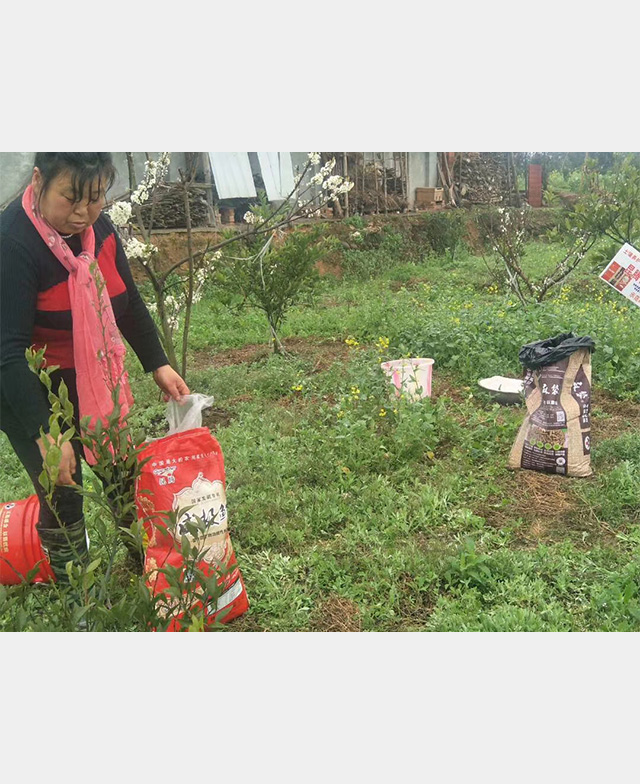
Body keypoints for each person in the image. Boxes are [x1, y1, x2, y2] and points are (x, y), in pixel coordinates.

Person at [0, 152, 189, 583]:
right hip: (28, 382)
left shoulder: (97, 231)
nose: (83, 213)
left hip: (92, 378)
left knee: (119, 471)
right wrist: (47, 433)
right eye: (70, 198)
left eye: (96, 198)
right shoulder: (12, 244)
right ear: (37, 180)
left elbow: (127, 301)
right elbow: (7, 353)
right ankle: (79, 600)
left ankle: (144, 567)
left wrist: (157, 362)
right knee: (61, 488)